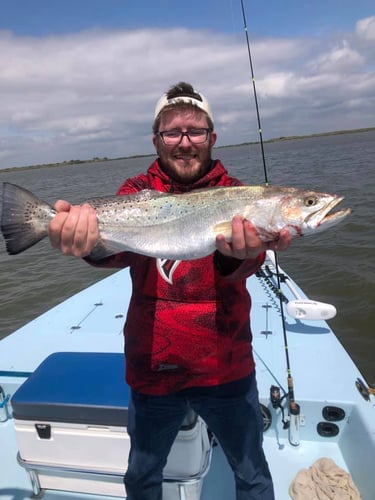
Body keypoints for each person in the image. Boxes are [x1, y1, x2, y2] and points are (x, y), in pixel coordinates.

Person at [49, 82, 291, 500]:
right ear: (157, 140)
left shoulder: (240, 194)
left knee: (252, 474)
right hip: (152, 367)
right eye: (173, 132)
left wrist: (243, 255)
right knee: (143, 477)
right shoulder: (134, 193)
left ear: (212, 138)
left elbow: (243, 268)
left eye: (195, 131)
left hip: (225, 365)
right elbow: (116, 255)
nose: (184, 143)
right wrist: (84, 244)